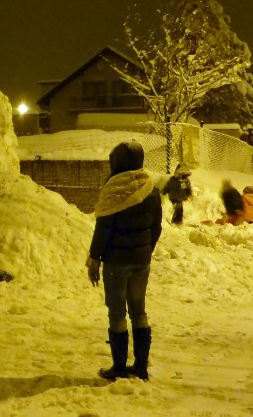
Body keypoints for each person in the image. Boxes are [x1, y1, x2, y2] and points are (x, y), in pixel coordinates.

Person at [86, 142, 163, 381]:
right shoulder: (150, 188)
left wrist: (94, 258)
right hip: (141, 262)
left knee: (117, 313)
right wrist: (145, 250)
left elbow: (104, 229)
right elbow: (156, 226)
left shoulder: (114, 189)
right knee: (139, 311)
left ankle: (119, 367)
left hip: (116, 264)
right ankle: (140, 367)